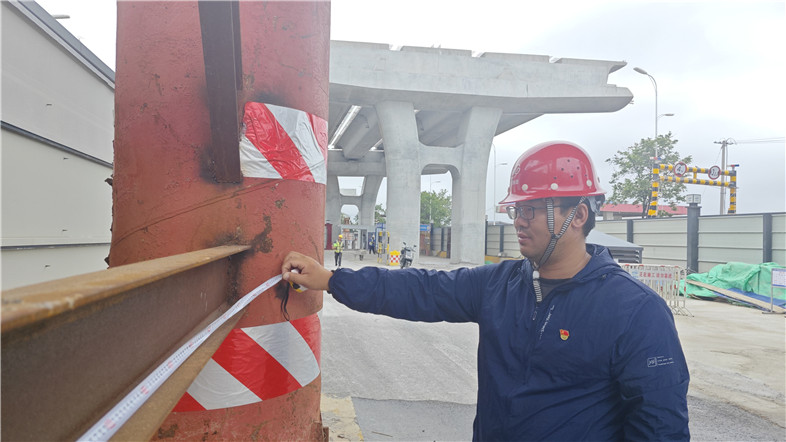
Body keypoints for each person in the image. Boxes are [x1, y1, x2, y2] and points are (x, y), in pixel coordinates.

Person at [283, 141, 690, 441]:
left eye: (532, 210)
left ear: (578, 215)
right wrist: (332, 280)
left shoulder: (635, 312)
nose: (519, 221)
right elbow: (421, 289)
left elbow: (660, 428)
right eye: (516, 210)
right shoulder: (501, 284)